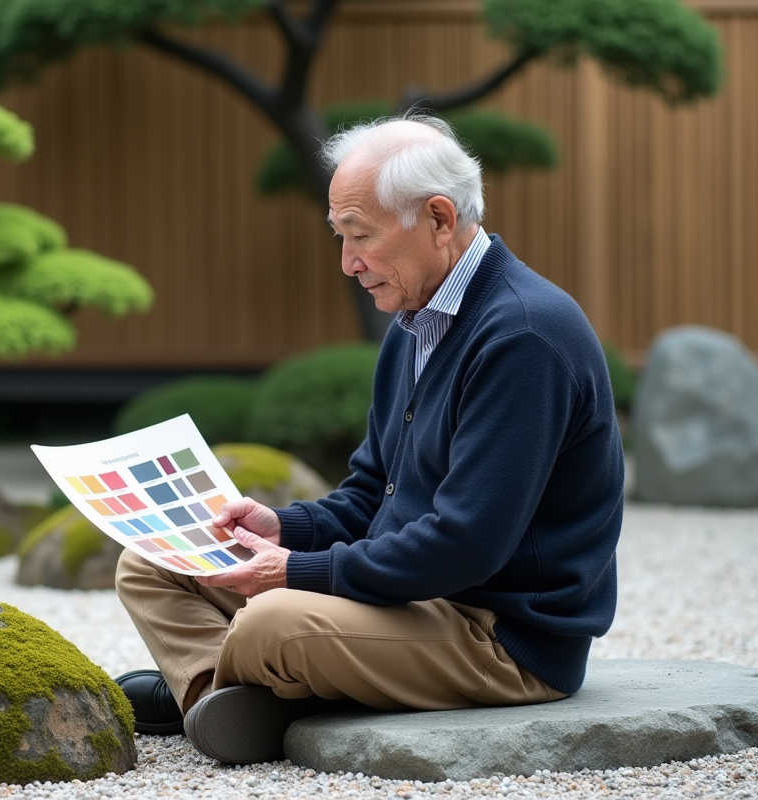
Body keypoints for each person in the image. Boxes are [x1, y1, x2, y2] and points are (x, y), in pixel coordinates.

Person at [114, 114, 624, 764]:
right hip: (408, 599)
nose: (349, 263)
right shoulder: (415, 323)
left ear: (439, 219)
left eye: (361, 237)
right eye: (340, 237)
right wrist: (282, 529)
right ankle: (228, 696)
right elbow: (369, 498)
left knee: (269, 619)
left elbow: (468, 544)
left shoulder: (523, 336)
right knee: (154, 559)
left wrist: (298, 574)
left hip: (499, 636)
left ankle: (221, 684)